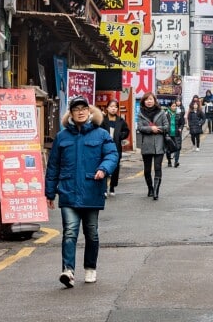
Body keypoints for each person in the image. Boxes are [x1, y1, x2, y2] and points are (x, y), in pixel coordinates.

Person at [45, 99, 119, 288]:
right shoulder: (62, 137)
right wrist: (50, 192)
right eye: (76, 109)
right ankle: (68, 271)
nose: (80, 112)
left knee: (91, 233)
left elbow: (112, 155)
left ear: (89, 111)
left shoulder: (101, 134)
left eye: (83, 109)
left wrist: (104, 169)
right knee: (70, 232)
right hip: (68, 191)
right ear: (70, 113)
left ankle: (90, 267)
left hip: (92, 190)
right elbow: (53, 165)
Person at [134, 93, 170, 200]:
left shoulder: (162, 112)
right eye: (147, 100)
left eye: (151, 99)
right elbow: (140, 127)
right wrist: (151, 129)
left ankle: (156, 191)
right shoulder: (141, 113)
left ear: (154, 100)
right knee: (147, 170)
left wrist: (156, 128)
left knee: (158, 167)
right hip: (146, 145)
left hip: (159, 144)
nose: (149, 101)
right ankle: (150, 188)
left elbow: (166, 126)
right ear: (143, 101)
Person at [101, 100, 130, 197]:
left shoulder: (120, 121)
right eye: (111, 106)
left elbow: (126, 131)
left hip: (116, 147)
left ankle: (112, 186)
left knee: (115, 167)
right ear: (107, 108)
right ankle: (103, 188)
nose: (113, 108)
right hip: (104, 147)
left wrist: (120, 136)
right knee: (103, 167)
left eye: (115, 107)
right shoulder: (102, 120)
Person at [166, 100, 185, 167]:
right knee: (168, 149)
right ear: (170, 107)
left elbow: (182, 123)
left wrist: (180, 128)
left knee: (178, 147)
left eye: (175, 106)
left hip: (177, 133)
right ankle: (169, 161)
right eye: (173, 106)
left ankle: (176, 162)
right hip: (169, 134)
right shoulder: (166, 114)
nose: (174, 107)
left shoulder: (179, 114)